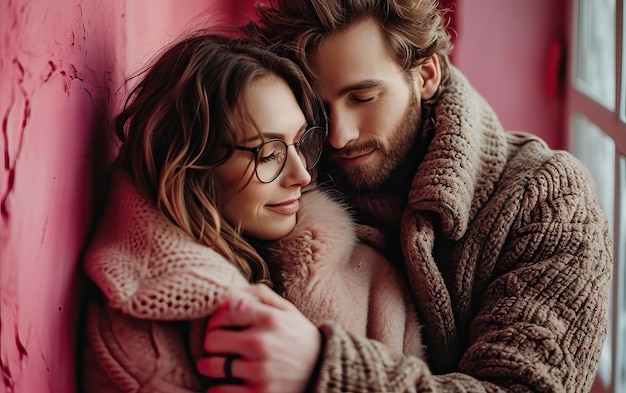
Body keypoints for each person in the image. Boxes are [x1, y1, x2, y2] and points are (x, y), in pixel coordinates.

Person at [196, 1, 614, 392]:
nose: (340, 136)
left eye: (363, 97)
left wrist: (325, 367)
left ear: (427, 73)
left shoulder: (550, 199)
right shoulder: (283, 182)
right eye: (319, 110)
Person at [80, 31, 423, 393]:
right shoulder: (143, 335)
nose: (301, 175)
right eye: (269, 154)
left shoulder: (368, 272)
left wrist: (322, 368)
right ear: (192, 165)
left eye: (300, 143)